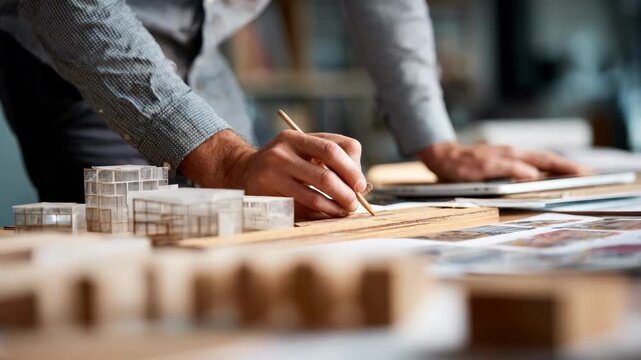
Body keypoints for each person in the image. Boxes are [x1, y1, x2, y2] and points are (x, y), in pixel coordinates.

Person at [0, 0, 581, 220]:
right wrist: (227, 162)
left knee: (266, 218)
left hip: (206, 47)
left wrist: (435, 140)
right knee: (146, 262)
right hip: (79, 53)